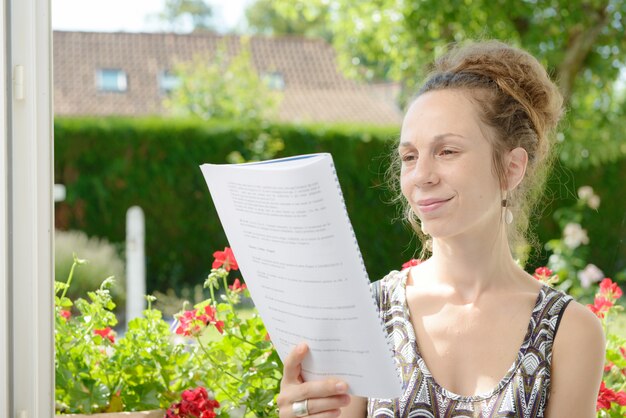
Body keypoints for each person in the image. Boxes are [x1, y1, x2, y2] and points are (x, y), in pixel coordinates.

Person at [276, 40, 606, 417]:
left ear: (512, 168)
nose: (421, 176)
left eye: (447, 151)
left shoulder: (568, 333)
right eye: (409, 157)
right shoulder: (366, 315)